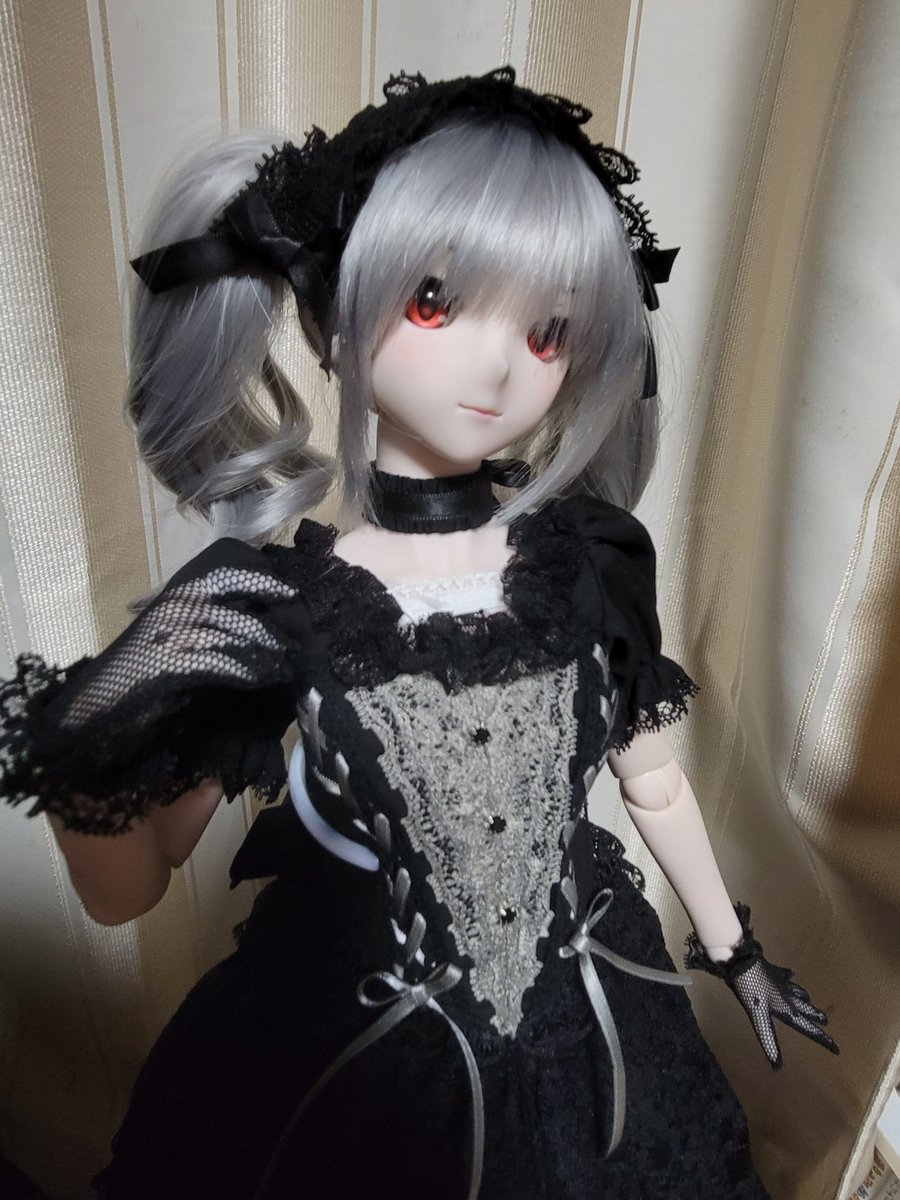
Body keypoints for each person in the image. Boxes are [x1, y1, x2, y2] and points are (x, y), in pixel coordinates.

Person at [0, 68, 836, 1199]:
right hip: (356, 1066)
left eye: (548, 329)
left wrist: (732, 950)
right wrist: (79, 766)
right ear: (329, 315)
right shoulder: (278, 604)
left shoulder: (586, 563)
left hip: (595, 1037)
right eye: (436, 302)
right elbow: (130, 890)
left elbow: (654, 784)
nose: (498, 365)